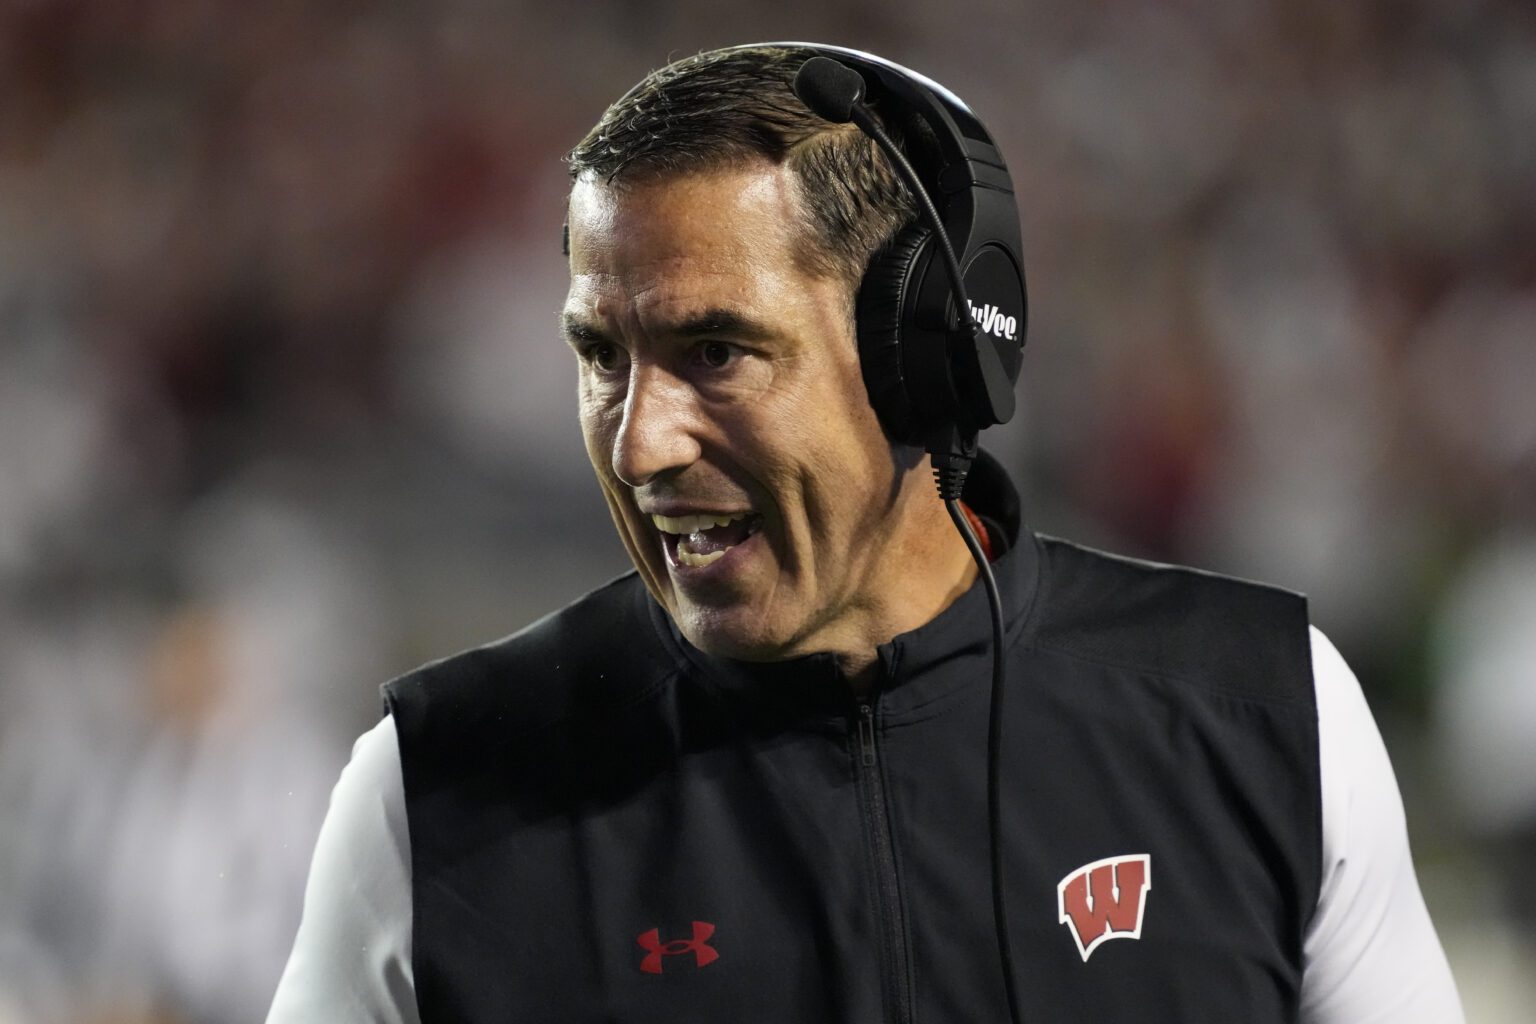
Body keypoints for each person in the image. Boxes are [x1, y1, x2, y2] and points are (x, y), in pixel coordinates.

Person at [266, 44, 1464, 1022]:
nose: (638, 445)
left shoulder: (1261, 711)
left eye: (714, 352)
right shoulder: (437, 785)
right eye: (601, 357)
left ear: (923, 355)